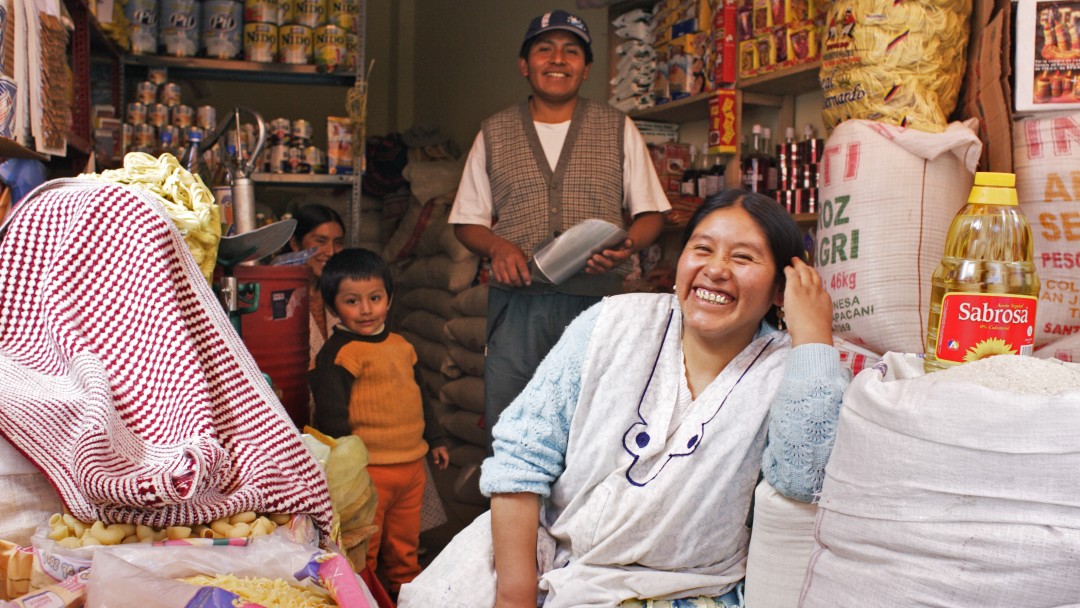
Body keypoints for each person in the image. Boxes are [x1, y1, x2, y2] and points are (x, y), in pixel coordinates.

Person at [399, 190, 849, 607]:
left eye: (744, 257)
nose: (716, 268)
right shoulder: (613, 323)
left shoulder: (793, 370)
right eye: (702, 248)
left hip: (679, 590)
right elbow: (522, 456)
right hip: (540, 561)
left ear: (781, 286)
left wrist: (812, 336)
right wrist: (514, 596)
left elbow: (800, 480)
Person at [449, 9, 672, 452]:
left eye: (571, 51)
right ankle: (514, 521)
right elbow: (466, 221)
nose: (558, 59)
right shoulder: (493, 132)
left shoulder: (617, 128)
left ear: (586, 69)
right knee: (513, 425)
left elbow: (651, 215)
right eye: (544, 49)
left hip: (597, 304)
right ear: (524, 64)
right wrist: (498, 246)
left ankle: (579, 522)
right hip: (518, 306)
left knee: (594, 428)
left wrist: (626, 244)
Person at [308, 248, 450, 595]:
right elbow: (331, 416)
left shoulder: (402, 346)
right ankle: (363, 596)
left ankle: (407, 591)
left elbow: (421, 396)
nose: (367, 309)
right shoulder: (339, 355)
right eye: (352, 301)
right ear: (332, 307)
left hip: (411, 466)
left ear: (390, 297)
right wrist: (342, 469)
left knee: (406, 541)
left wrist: (437, 438)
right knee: (363, 545)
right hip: (370, 472)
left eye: (375, 298)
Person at [286, 204, 348, 367]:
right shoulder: (280, 296)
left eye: (338, 243)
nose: (331, 252)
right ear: (295, 244)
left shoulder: (342, 295)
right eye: (321, 241)